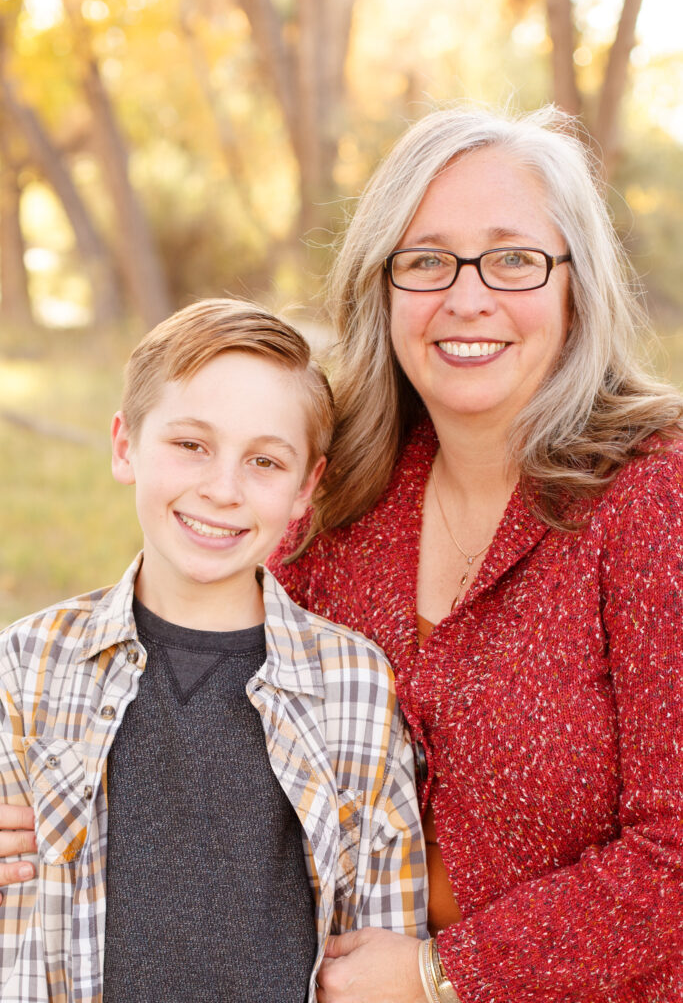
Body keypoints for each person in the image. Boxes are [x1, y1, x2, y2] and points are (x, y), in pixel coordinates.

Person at [264, 105, 682, 1002]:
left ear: (576, 286)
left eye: (513, 258)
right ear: (381, 288)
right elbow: (195, 682)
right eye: (425, 259)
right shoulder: (339, 504)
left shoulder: (656, 499)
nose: (465, 297)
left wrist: (437, 975)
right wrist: (47, 802)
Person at [0, 299, 427, 1003]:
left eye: (263, 460)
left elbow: (379, 924)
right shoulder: (27, 667)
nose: (221, 489)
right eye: (191, 444)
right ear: (125, 444)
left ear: (305, 489)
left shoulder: (354, 686)